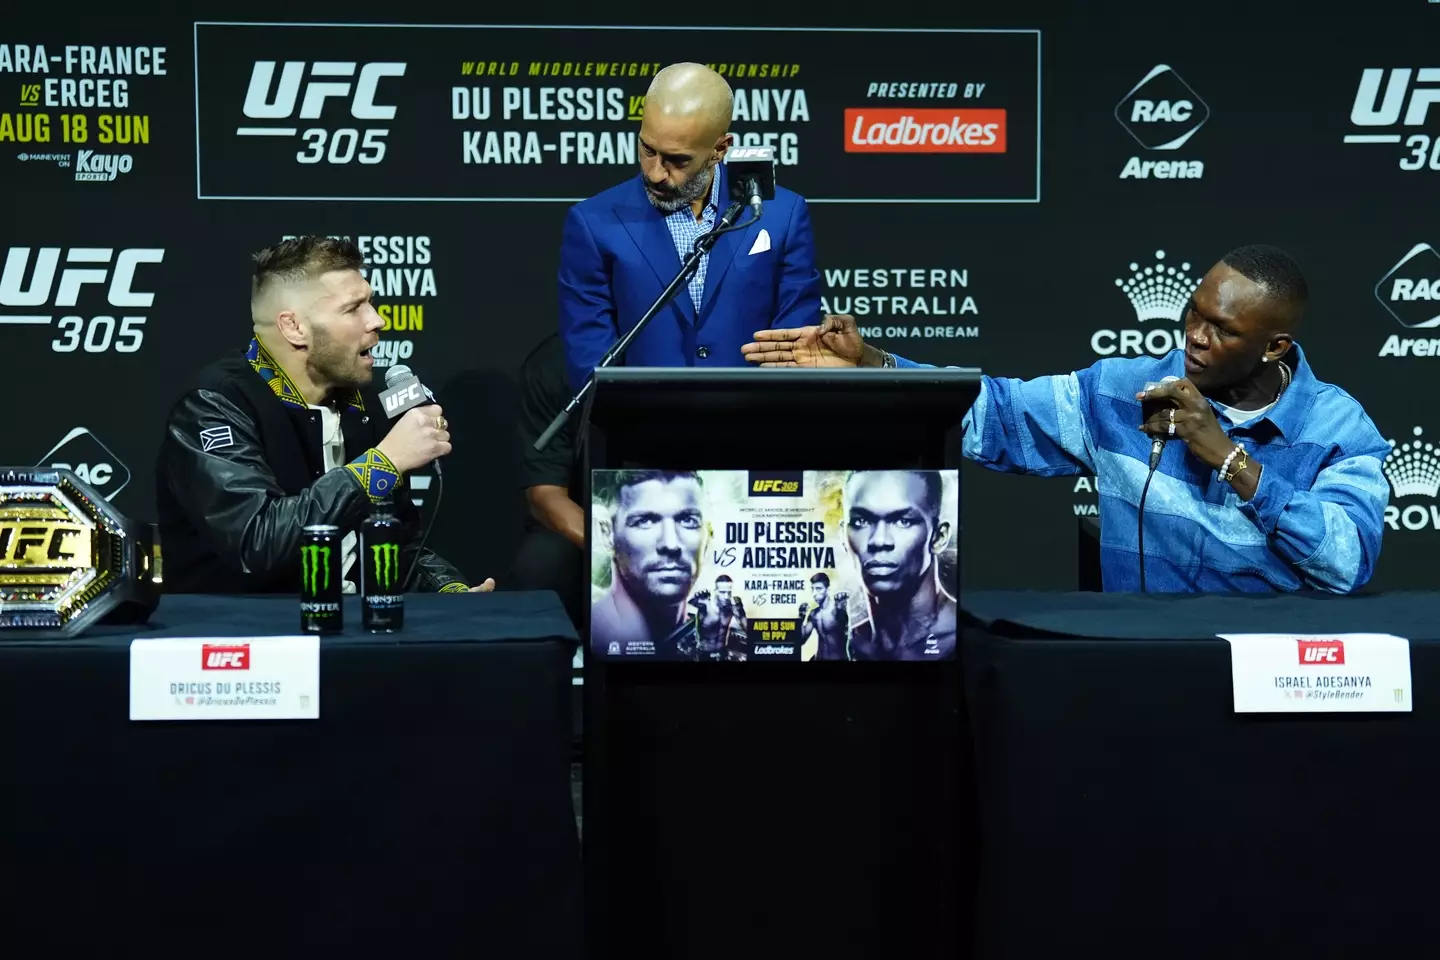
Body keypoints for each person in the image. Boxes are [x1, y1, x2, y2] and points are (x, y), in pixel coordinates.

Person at [741, 245, 1391, 594]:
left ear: (1275, 346)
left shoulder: (1338, 428)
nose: (1193, 337)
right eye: (1193, 314)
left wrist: (1228, 458)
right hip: (1141, 665)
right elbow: (993, 413)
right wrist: (877, 365)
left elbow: (1344, 563)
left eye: (1220, 331)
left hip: (1271, 671)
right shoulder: (1126, 388)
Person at [156, 235, 495, 595]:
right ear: (294, 327)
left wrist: (448, 594)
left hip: (347, 630)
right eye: (353, 309)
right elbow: (258, 543)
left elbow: (396, 546)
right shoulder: (214, 403)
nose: (377, 320)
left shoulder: (361, 406)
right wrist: (384, 463)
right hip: (243, 636)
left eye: (371, 303)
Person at [556, 61, 822, 392]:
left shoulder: (780, 214)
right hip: (642, 431)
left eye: (677, 160)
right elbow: (589, 358)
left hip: (755, 427)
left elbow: (796, 342)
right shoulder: (594, 223)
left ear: (719, 149)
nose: (655, 172)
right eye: (647, 149)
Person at [510, 333, 586, 629]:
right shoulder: (555, 361)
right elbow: (545, 493)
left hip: (707, 512)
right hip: (591, 529)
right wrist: (614, 551)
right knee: (541, 562)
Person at [841, 471, 957, 659]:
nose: (879, 541)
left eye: (903, 521)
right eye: (861, 521)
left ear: (938, 537)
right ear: (843, 536)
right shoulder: (850, 644)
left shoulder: (967, 641)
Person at [590, 470, 705, 656]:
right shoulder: (593, 639)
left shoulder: (711, 636)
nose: (670, 544)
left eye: (688, 520)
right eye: (645, 521)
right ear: (607, 534)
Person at [691, 574, 749, 661]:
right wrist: (696, 598)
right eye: (722, 592)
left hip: (722, 653)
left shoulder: (731, 607)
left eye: (729, 592)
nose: (726, 596)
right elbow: (691, 602)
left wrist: (741, 611)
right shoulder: (706, 606)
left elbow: (747, 629)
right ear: (716, 591)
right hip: (705, 655)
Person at [798, 572, 849, 661]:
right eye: (813, 589)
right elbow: (801, 640)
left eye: (818, 589)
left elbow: (847, 630)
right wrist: (801, 618)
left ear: (827, 590)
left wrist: (843, 607)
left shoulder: (837, 610)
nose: (814, 593)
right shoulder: (814, 614)